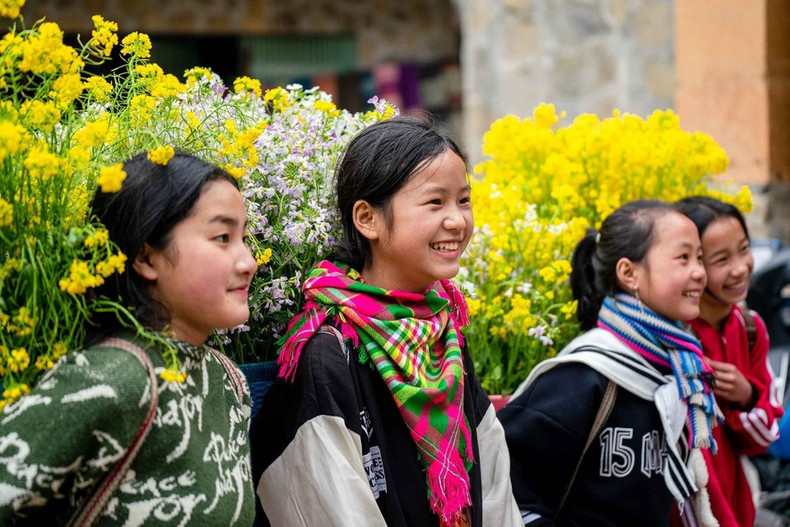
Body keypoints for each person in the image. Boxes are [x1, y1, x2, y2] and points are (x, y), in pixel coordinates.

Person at [250, 115, 521, 527]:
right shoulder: (329, 351)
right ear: (367, 219)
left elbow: (495, 487)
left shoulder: (445, 335)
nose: (457, 220)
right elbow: (333, 507)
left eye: (463, 200)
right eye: (435, 202)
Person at [0, 151, 258, 524]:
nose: (248, 261)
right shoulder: (112, 379)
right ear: (146, 258)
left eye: (244, 238)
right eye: (222, 237)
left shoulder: (228, 381)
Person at [499, 199, 721, 527]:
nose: (700, 272)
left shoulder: (679, 371)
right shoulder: (583, 375)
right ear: (629, 273)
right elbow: (508, 485)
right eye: (683, 257)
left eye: (699, 258)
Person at [673, 196, 784, 527]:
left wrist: (746, 395)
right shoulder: (674, 339)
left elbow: (763, 440)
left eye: (744, 249)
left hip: (737, 507)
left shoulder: (750, 328)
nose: (740, 268)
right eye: (721, 259)